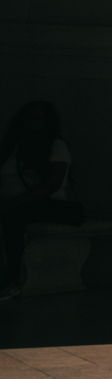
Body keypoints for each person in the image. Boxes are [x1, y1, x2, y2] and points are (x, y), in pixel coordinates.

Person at [0, 101, 86, 298]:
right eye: (29, 117)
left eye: (39, 118)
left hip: (49, 204)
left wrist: (10, 205)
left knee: (13, 216)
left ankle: (12, 279)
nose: (33, 122)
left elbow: (51, 185)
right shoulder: (12, 146)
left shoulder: (56, 146)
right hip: (14, 203)